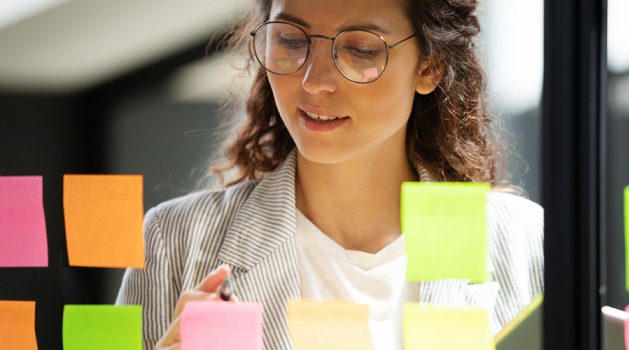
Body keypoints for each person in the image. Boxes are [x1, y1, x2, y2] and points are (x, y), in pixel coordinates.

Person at [116, 0, 543, 349]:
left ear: (429, 66)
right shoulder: (173, 239)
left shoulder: (524, 239)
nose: (314, 80)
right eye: (289, 40)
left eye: (360, 50)